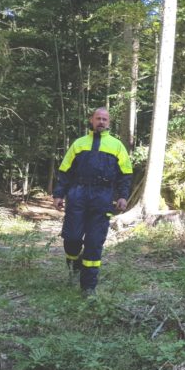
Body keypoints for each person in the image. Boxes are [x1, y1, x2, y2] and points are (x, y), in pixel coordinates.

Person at [52, 108, 133, 296]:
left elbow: (126, 174)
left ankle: (88, 287)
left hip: (103, 197)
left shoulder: (117, 146)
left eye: (105, 119)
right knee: (72, 237)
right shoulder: (79, 144)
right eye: (98, 118)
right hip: (78, 194)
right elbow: (65, 171)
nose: (101, 122)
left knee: (94, 242)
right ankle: (74, 264)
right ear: (92, 120)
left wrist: (122, 196)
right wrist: (59, 194)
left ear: (109, 123)